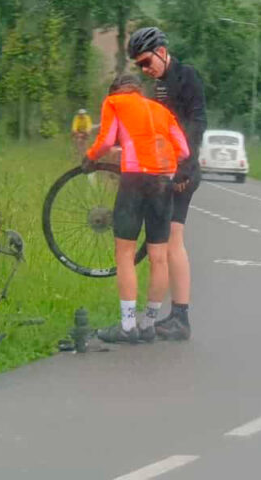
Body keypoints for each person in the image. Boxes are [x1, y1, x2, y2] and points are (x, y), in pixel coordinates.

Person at [83, 74, 190, 344]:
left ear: (117, 91)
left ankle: (128, 326)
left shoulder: (114, 102)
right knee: (159, 256)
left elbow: (107, 140)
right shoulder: (161, 110)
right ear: (139, 91)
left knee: (125, 252)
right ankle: (149, 324)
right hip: (163, 181)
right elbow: (184, 150)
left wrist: (90, 157)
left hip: (135, 180)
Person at [127, 27, 206, 341]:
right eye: (140, 67)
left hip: (182, 172)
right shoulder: (156, 86)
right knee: (164, 240)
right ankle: (174, 314)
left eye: (147, 62)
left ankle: (181, 316)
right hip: (162, 169)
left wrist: (185, 166)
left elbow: (197, 122)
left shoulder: (187, 77)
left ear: (161, 50)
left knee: (173, 239)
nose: (145, 70)